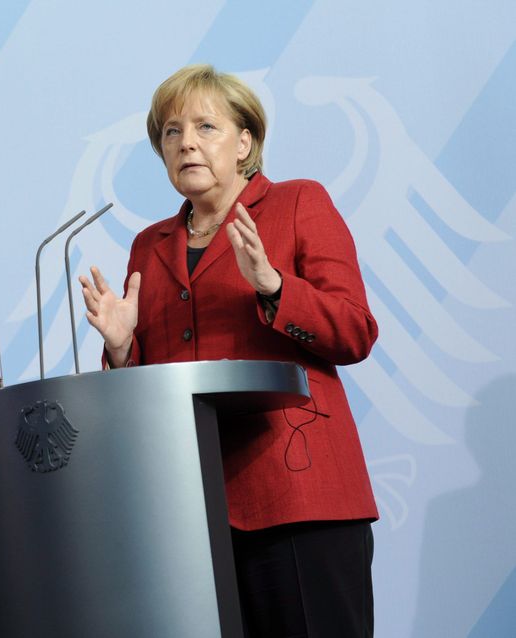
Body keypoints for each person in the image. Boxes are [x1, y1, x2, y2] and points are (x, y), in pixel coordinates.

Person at [79, 64, 379, 637]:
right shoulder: (149, 246)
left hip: (298, 496)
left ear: (245, 142)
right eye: (170, 132)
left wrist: (274, 286)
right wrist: (121, 351)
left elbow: (355, 331)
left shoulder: (297, 204)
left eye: (205, 127)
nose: (186, 141)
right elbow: (147, 390)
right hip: (192, 514)